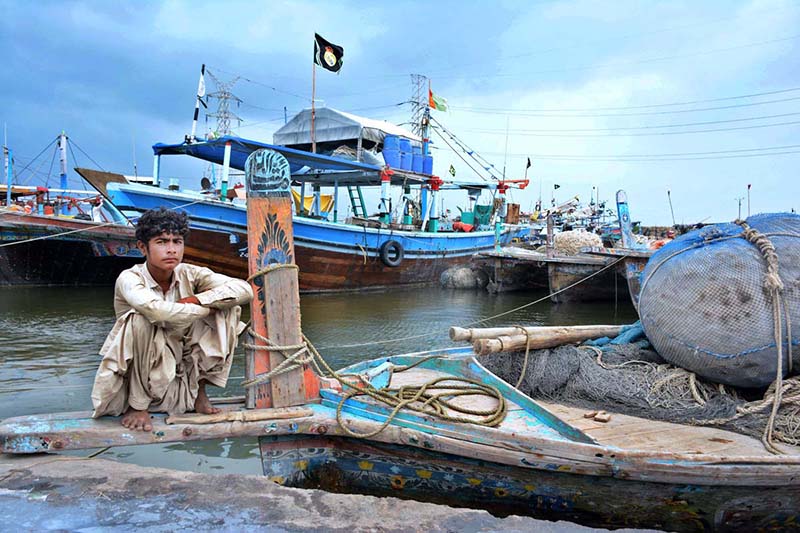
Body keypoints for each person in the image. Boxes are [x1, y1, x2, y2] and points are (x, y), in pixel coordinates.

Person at [91, 207, 253, 431]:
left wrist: (197, 300)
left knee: (228, 309)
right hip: (140, 372)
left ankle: (199, 392)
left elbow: (244, 289)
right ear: (142, 247)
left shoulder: (190, 273)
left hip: (179, 367)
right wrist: (202, 309)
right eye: (161, 242)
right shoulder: (130, 278)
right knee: (141, 319)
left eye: (177, 242)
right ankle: (138, 406)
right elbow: (156, 310)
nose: (171, 250)